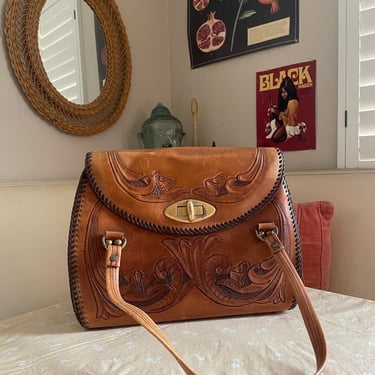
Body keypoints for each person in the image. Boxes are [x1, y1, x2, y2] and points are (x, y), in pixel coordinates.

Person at [266, 76, 305, 141]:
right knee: (272, 110)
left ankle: (287, 134)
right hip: (284, 119)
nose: (283, 94)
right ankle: (273, 129)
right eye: (282, 92)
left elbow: (291, 119)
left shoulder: (292, 102)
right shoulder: (285, 100)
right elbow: (283, 112)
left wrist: (289, 133)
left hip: (289, 124)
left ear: (289, 91)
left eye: (285, 92)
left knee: (275, 138)